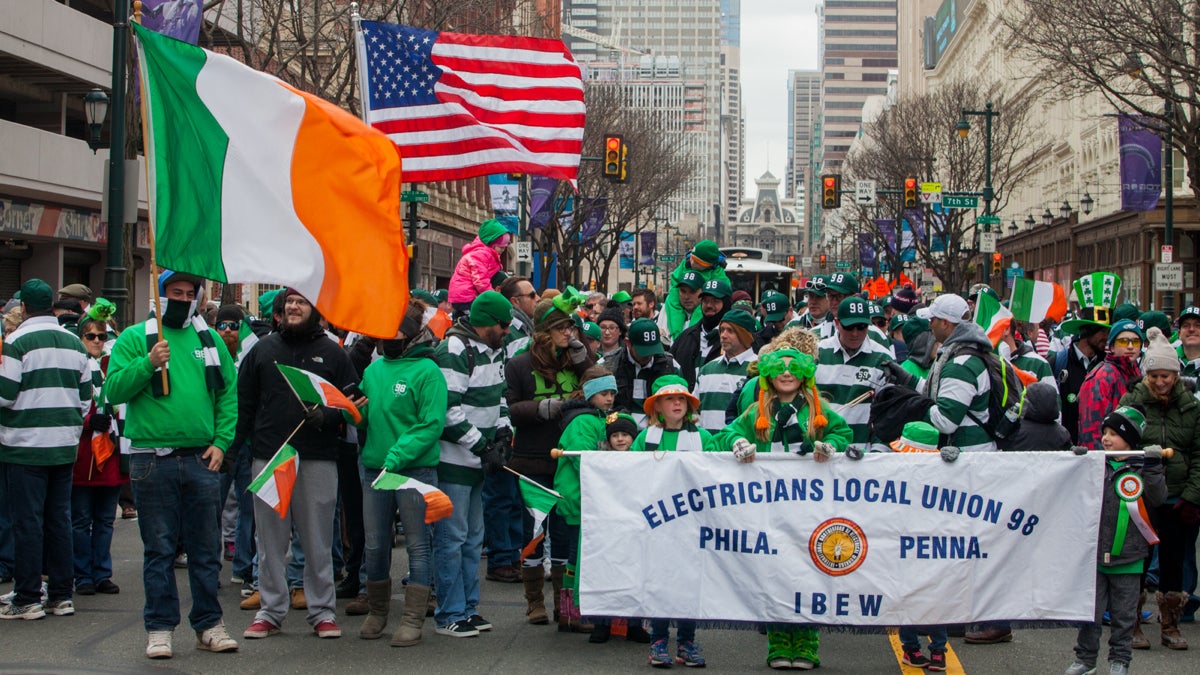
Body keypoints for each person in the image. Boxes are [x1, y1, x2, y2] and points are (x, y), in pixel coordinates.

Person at [104, 270, 239, 658]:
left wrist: (221, 442)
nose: (182, 298)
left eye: (188, 292)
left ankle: (209, 624)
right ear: (160, 295)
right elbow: (113, 390)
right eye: (174, 292)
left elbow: (227, 395)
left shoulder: (209, 339)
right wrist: (148, 363)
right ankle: (160, 628)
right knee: (160, 550)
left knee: (204, 549)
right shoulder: (134, 338)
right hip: (152, 458)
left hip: (200, 458)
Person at [716, 348, 852, 670]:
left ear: (804, 374)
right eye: (780, 368)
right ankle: (778, 640)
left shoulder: (818, 409)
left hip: (811, 505)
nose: (787, 374)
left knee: (809, 571)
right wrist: (737, 444)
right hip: (770, 506)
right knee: (774, 572)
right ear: (769, 375)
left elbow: (843, 433)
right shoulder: (757, 410)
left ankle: (806, 643)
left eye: (793, 369)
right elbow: (726, 433)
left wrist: (830, 446)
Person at [235, 288, 356, 641]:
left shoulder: (333, 352)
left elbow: (352, 403)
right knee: (269, 540)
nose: (292, 306)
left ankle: (322, 611)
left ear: (314, 310)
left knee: (318, 539)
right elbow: (244, 405)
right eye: (289, 302)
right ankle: (270, 611)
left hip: (318, 457)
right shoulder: (262, 350)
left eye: (300, 302)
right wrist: (232, 451)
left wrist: (330, 416)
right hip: (270, 456)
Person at [351, 300, 445, 644]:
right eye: (384, 333)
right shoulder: (373, 372)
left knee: (418, 546)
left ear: (412, 335)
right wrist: (348, 410)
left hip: (414, 470)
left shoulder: (428, 371)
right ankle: (378, 612)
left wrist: (397, 454)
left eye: (397, 332)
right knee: (375, 544)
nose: (388, 338)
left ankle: (412, 617)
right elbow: (365, 416)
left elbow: (430, 424)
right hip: (375, 469)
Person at [0, 279, 91, 621]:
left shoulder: (16, 340)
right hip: (64, 443)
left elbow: (5, 394)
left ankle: (27, 595)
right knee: (59, 519)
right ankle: (60, 594)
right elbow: (86, 398)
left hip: (24, 444)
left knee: (28, 521)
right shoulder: (74, 342)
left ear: (23, 308)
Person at [506, 293, 596, 626]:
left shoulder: (576, 356)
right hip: (532, 460)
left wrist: (583, 358)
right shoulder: (519, 364)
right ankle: (534, 603)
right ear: (544, 331)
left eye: (571, 326)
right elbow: (510, 407)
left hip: (567, 460)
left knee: (563, 532)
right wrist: (539, 409)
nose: (568, 333)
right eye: (561, 327)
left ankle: (564, 605)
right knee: (533, 532)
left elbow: (600, 390)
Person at [434, 291, 513, 637]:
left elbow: (500, 397)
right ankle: (448, 611)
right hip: (454, 460)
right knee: (452, 538)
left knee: (472, 538)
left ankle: (468, 607)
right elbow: (448, 410)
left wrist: (504, 434)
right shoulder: (454, 350)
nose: (508, 330)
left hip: (480, 458)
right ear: (485, 324)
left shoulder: (496, 349)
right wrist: (482, 445)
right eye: (503, 324)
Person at [1064, 406, 1166, 675]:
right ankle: (1085, 660)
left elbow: (1157, 499)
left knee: (1123, 617)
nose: (1106, 438)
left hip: (1130, 557)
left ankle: (1119, 661)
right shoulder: (1095, 464)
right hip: (1095, 554)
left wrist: (1154, 467)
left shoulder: (1141, 467)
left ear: (1130, 439)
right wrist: (1073, 461)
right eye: (1104, 433)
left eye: (1113, 433)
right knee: (1090, 615)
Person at [1118, 326, 1200, 651]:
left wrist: (1193, 497)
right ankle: (1134, 622)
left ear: (1176, 375)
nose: (1161, 382)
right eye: (1155, 376)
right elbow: (1120, 447)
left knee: (1174, 561)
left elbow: (1197, 454)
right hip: (1140, 495)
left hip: (1178, 496)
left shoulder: (1191, 408)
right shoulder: (1132, 402)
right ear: (1147, 374)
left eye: (1167, 376)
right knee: (1138, 561)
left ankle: (1171, 624)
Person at [631, 375, 716, 667]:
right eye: (670, 398)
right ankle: (658, 640)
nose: (677, 403)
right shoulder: (645, 438)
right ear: (657, 406)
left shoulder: (703, 438)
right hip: (657, 521)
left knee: (689, 583)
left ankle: (687, 642)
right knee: (660, 581)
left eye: (681, 398)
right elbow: (630, 474)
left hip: (693, 523)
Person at [553, 366, 616, 633]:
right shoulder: (583, 422)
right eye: (603, 393)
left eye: (612, 392)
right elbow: (585, 461)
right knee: (577, 555)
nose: (610, 398)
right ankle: (571, 613)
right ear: (590, 393)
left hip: (587, 497)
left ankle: (571, 611)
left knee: (579, 553)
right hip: (579, 497)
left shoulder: (599, 418)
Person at [71, 310, 127, 597]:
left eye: (101, 336)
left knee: (105, 519)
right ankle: (82, 575)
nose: (96, 340)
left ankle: (102, 572)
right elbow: (66, 406)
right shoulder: (75, 366)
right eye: (90, 335)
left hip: (110, 452)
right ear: (80, 337)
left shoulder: (111, 365)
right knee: (80, 519)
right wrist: (86, 422)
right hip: (83, 454)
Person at [887, 421, 950, 671]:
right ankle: (914, 648)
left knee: (931, 599)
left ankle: (935, 650)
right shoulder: (890, 470)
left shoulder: (945, 473)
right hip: (905, 546)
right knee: (912, 599)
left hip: (929, 547)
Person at [815, 297, 894, 453]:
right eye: (849, 327)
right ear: (837, 323)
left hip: (862, 454)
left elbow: (888, 412)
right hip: (820, 451)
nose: (855, 333)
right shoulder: (817, 353)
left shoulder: (883, 358)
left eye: (861, 327)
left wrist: (877, 453)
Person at [922, 294, 998, 455]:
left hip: (968, 458)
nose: (930, 325)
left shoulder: (960, 365)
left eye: (932, 320)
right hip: (973, 454)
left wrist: (914, 407)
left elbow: (945, 421)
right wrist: (909, 381)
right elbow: (947, 393)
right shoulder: (968, 353)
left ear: (945, 323)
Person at [1054, 273, 1120, 444]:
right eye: (1102, 331)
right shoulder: (1058, 363)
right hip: (1066, 451)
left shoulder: (1109, 367)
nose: (1107, 337)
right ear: (1087, 332)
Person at [1078, 320, 1144, 449]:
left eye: (1135, 342)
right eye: (1123, 341)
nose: (1130, 346)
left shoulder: (1136, 371)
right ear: (1112, 346)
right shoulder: (1100, 377)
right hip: (1108, 460)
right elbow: (1091, 431)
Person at [694, 310, 757, 434]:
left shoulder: (758, 368)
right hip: (708, 448)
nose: (723, 335)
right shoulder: (707, 369)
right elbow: (694, 410)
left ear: (744, 335)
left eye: (730, 331)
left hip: (742, 447)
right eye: (722, 330)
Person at [611, 318, 678, 427]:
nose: (649, 355)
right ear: (628, 343)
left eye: (653, 349)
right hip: (620, 432)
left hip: (659, 430)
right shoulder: (610, 365)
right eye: (643, 351)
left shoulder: (670, 365)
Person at [662, 240, 729, 339]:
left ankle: (690, 336)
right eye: (692, 258)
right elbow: (674, 284)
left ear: (708, 264)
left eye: (697, 262)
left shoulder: (717, 273)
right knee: (672, 302)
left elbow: (724, 291)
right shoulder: (686, 263)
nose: (692, 263)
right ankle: (678, 336)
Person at [673, 278, 732, 388]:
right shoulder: (685, 338)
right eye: (705, 300)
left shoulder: (736, 339)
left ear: (726, 304)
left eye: (715, 301)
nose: (709, 305)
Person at [448, 219, 511, 316]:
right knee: (477, 318)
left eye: (505, 247)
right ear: (492, 244)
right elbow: (480, 280)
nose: (503, 250)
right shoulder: (480, 255)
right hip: (465, 296)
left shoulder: (485, 254)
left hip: (464, 296)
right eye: (501, 247)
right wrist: (492, 296)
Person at [497, 276, 539, 358]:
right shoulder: (506, 332)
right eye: (532, 295)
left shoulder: (532, 327)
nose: (538, 298)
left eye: (536, 293)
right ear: (515, 301)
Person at [1176, 305, 1200, 377]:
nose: (1191, 329)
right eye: (1186, 325)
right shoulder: (1168, 359)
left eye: (1198, 325)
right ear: (1179, 334)